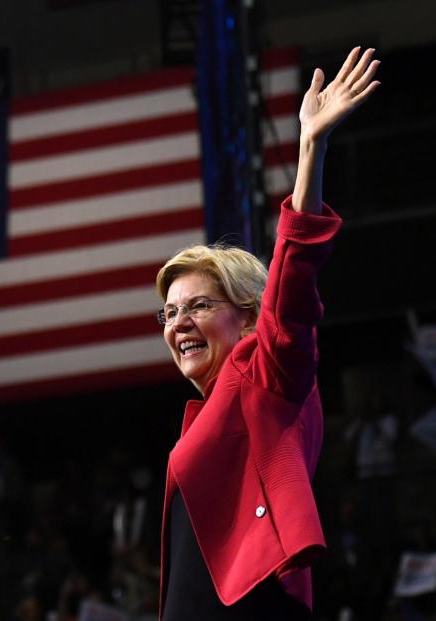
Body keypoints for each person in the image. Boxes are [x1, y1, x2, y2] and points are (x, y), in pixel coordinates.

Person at [154, 47, 380, 619]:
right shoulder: (208, 414)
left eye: (198, 305)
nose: (178, 322)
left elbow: (292, 288)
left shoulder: (264, 374)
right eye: (169, 312)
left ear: (250, 316)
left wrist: (311, 148)